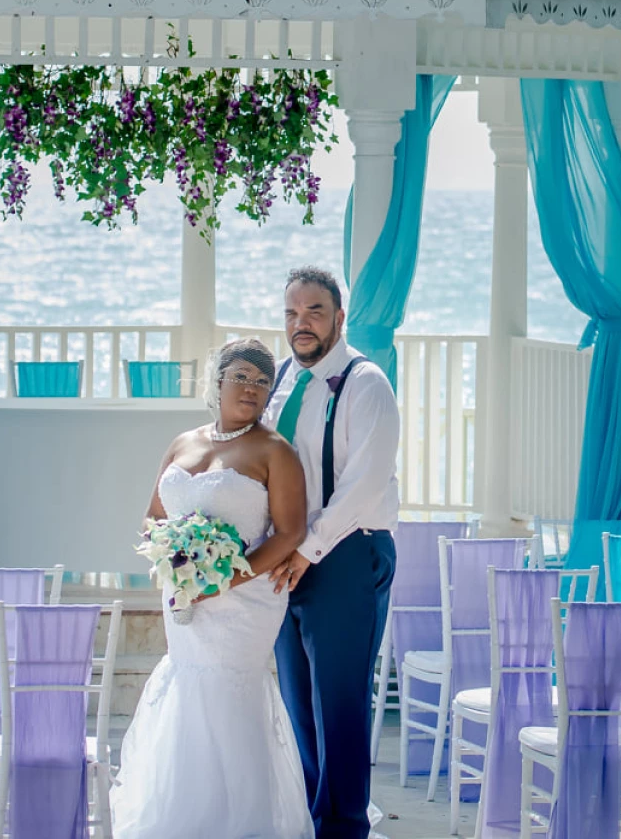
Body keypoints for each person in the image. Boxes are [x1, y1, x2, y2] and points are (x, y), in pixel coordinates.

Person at [109, 338, 314, 839]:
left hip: (244, 598)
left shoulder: (275, 451)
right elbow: (153, 515)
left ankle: (241, 823)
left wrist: (219, 579)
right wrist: (169, 558)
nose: (252, 388)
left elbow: (290, 532)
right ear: (216, 380)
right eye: (241, 376)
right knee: (186, 683)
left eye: (263, 382)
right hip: (183, 594)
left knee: (227, 689)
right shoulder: (184, 443)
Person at [261, 267, 401, 839]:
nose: (301, 324)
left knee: (339, 704)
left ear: (339, 318)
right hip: (292, 559)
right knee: (300, 703)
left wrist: (309, 550)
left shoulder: (366, 383)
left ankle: (344, 828)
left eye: (314, 312)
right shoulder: (285, 381)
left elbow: (363, 484)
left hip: (346, 552)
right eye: (292, 313)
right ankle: (316, 823)